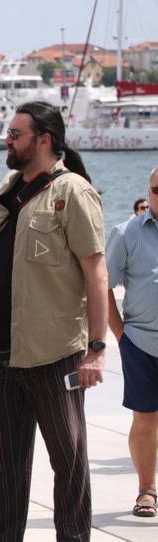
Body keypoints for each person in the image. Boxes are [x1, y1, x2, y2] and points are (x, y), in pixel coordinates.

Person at [0, 101, 107, 542]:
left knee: (68, 454)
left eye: (15, 133)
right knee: (0, 457)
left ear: (43, 139)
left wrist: (97, 348)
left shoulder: (72, 193)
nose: (6, 140)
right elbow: (0, 262)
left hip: (53, 348)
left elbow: (95, 271)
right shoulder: (7, 192)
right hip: (0, 347)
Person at [107, 169, 158, 518]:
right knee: (146, 420)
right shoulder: (126, 233)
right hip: (141, 342)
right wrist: (120, 334)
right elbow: (101, 285)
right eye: (156, 190)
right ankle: (147, 490)